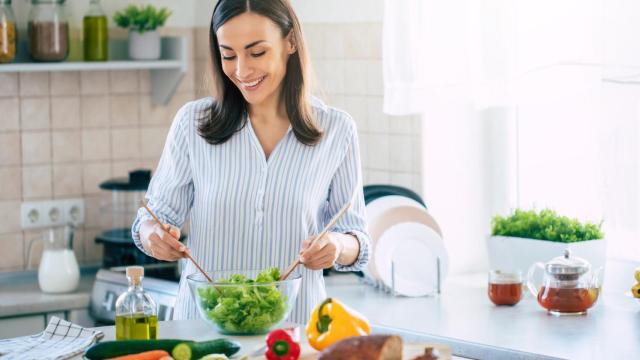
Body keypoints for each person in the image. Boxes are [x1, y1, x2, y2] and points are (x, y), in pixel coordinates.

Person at [131, 0, 370, 323]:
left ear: (290, 42)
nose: (242, 71)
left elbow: (357, 238)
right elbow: (153, 218)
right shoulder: (192, 123)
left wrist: (337, 246)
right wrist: (153, 236)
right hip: (204, 333)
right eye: (228, 55)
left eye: (257, 52)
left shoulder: (337, 131)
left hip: (293, 334)